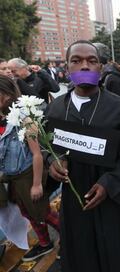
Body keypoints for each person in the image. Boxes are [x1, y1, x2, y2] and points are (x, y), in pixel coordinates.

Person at [46, 40, 120, 272]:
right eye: (76, 61)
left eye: (92, 61)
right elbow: (49, 148)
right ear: (67, 68)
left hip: (111, 200)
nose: (84, 66)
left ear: (100, 67)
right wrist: (52, 163)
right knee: (80, 256)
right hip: (74, 199)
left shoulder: (119, 108)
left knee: (115, 257)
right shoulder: (55, 108)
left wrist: (109, 184)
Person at [0, 74, 59, 261]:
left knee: (43, 212)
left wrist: (36, 184)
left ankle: (71, 237)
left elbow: (37, 154)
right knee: (27, 212)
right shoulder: (3, 116)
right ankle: (44, 243)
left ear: (6, 94)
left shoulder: (24, 116)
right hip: (12, 177)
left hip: (28, 175)